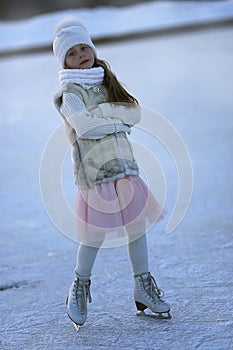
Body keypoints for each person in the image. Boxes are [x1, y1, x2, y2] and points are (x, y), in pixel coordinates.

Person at [53, 18, 170, 327]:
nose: (81, 55)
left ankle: (142, 285)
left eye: (83, 48)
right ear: (64, 61)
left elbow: (135, 112)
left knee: (137, 227)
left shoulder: (107, 81)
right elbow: (86, 127)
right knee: (94, 235)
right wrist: (115, 119)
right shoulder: (69, 93)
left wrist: (107, 115)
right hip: (95, 173)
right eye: (72, 53)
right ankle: (79, 285)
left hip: (125, 167)